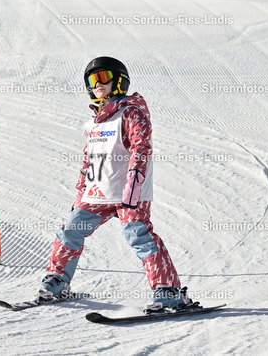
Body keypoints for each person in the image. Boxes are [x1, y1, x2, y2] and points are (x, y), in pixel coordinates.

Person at [37, 56, 192, 312]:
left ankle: (168, 291)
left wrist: (135, 179)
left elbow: (141, 146)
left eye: (103, 77)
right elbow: (88, 160)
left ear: (119, 80)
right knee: (71, 230)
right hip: (97, 193)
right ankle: (57, 281)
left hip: (129, 193)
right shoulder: (94, 123)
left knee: (139, 236)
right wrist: (80, 191)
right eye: (92, 80)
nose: (97, 84)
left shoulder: (131, 113)